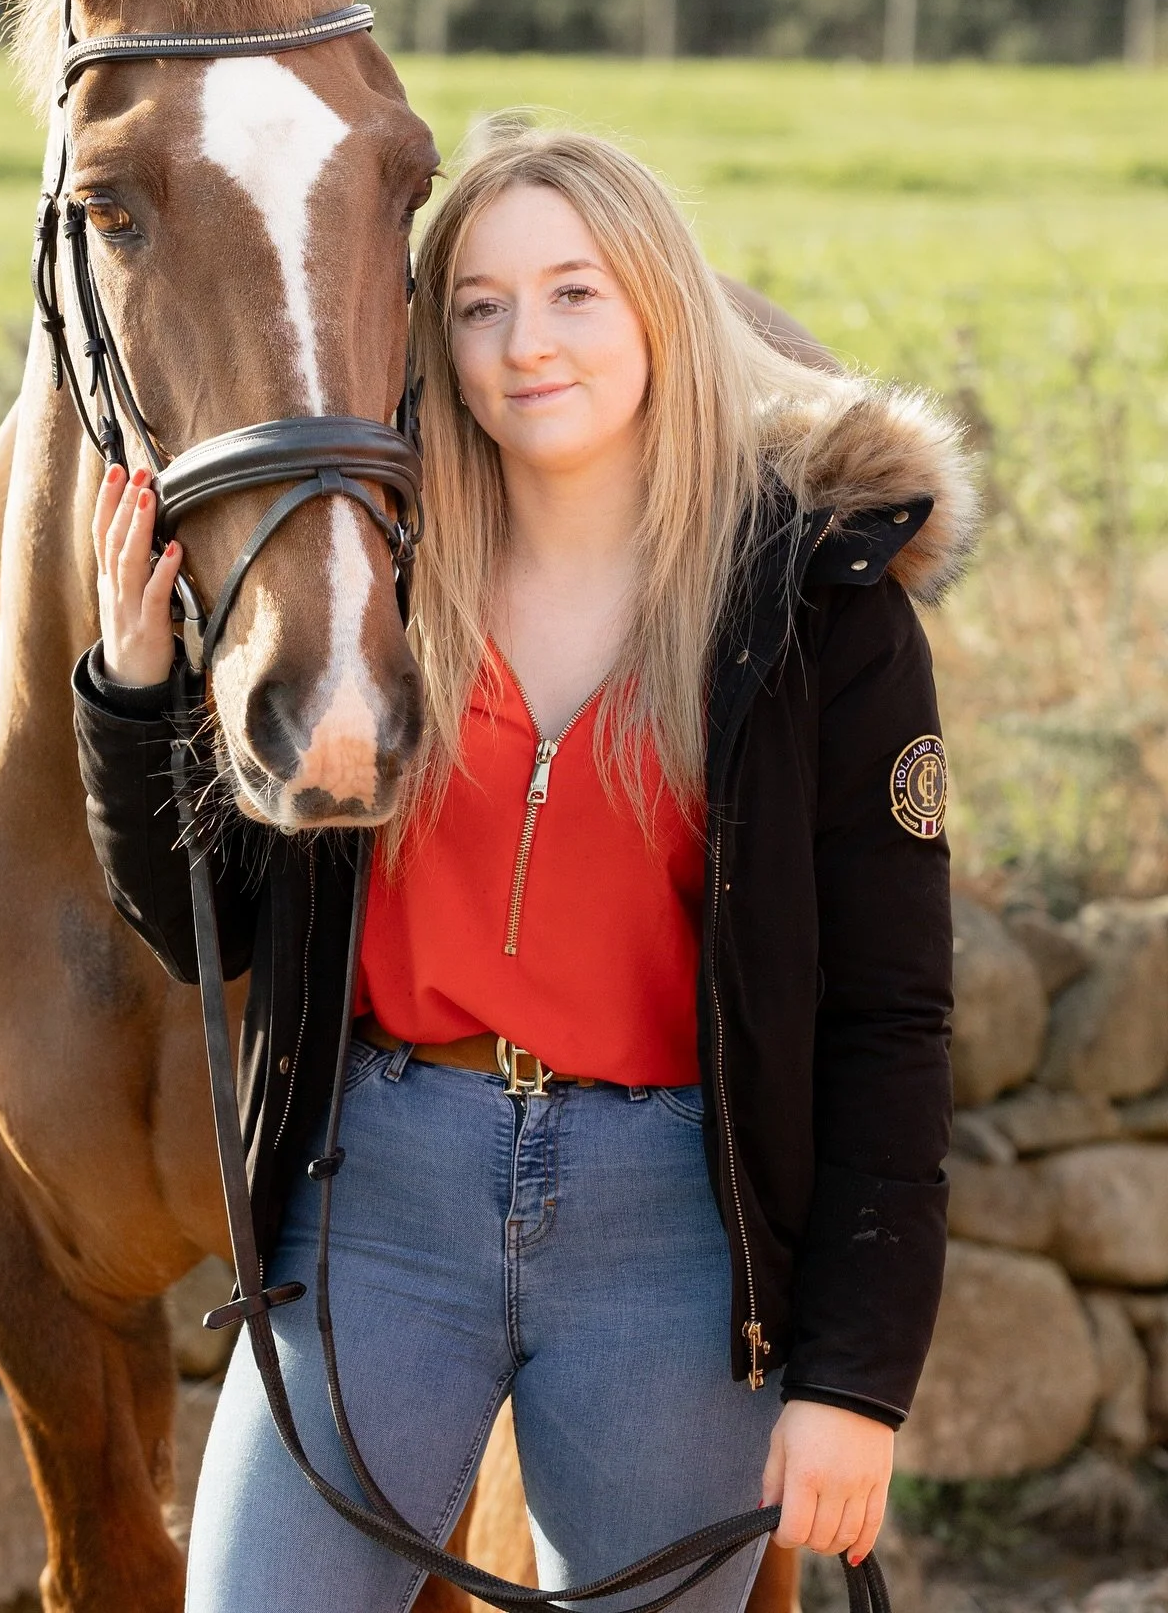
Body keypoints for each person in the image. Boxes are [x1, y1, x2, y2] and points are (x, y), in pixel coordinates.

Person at [71, 127, 974, 1613]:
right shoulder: (379, 579)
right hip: (376, 1204)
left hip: (668, 1238)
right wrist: (136, 683)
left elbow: (888, 1022)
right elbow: (197, 929)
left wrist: (859, 1384)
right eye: (479, 306)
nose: (523, 344)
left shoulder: (819, 611)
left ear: (660, 308)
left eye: (573, 293)